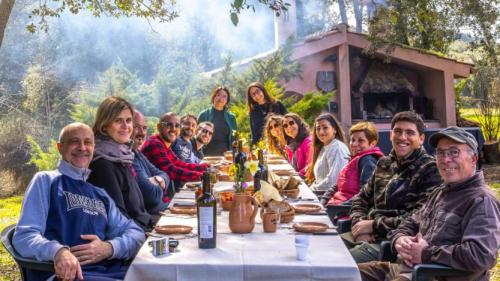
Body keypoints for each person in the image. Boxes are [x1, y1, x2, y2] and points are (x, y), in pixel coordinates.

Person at [359, 127, 500, 281]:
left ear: (473, 159)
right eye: (440, 153)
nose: (446, 159)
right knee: (342, 273)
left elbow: (480, 256)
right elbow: (410, 223)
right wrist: (400, 239)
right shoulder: (439, 193)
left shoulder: (481, 201)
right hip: (404, 269)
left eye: (454, 152)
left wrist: (425, 253)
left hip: (432, 276)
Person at [13, 123, 145, 281]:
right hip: (67, 275)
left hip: (110, 271)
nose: (82, 147)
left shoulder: (100, 194)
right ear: (60, 147)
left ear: (93, 147)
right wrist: (58, 252)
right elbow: (24, 237)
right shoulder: (46, 181)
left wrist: (109, 248)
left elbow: (137, 235)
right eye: (74, 141)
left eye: (88, 142)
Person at [343, 111, 442, 264]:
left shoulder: (430, 170)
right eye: (398, 131)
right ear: (390, 135)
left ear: (421, 139)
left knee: (334, 266)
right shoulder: (384, 163)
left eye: (410, 133)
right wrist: (359, 224)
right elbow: (360, 199)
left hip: (391, 244)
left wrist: (375, 226)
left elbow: (420, 217)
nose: (402, 137)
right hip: (363, 235)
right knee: (318, 252)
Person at [87, 96, 157, 231]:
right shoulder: (103, 164)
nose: (126, 126)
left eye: (129, 120)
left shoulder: (122, 156)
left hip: (144, 225)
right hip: (132, 238)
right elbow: (119, 218)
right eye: (118, 120)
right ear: (104, 125)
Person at [320, 121, 384, 206]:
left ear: (372, 143)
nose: (354, 144)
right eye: (352, 140)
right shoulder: (356, 158)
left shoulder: (367, 161)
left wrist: (340, 207)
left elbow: (365, 194)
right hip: (335, 205)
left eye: (360, 141)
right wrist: (323, 201)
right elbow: (338, 185)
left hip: (345, 211)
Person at [141, 112, 209, 185]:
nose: (173, 129)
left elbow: (178, 163)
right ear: (159, 127)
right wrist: (202, 176)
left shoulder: (165, 145)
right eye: (169, 125)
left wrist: (205, 167)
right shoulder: (154, 143)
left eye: (177, 125)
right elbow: (170, 170)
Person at [131, 110, 170, 214]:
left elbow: (165, 174)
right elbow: (152, 196)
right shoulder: (128, 157)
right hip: (153, 219)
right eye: (136, 127)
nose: (142, 132)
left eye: (144, 128)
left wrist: (157, 179)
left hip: (162, 209)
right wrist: (161, 183)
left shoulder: (137, 153)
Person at [306, 113, 350, 191]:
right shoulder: (324, 147)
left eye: (325, 128)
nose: (321, 132)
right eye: (318, 128)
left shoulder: (336, 148)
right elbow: (319, 180)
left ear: (334, 130)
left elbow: (333, 182)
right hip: (320, 194)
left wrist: (310, 190)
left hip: (330, 198)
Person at [198, 86, 237, 156]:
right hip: (205, 155)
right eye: (218, 95)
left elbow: (235, 138)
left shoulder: (231, 117)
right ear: (213, 97)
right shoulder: (204, 114)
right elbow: (195, 135)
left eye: (224, 96)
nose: (220, 98)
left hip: (226, 156)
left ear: (227, 100)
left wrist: (234, 154)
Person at [282, 112, 312, 178]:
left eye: (291, 123)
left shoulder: (308, 142)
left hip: (306, 179)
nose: (289, 127)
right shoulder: (290, 145)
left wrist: (295, 176)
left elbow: (310, 166)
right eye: (285, 126)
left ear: (299, 124)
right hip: (297, 177)